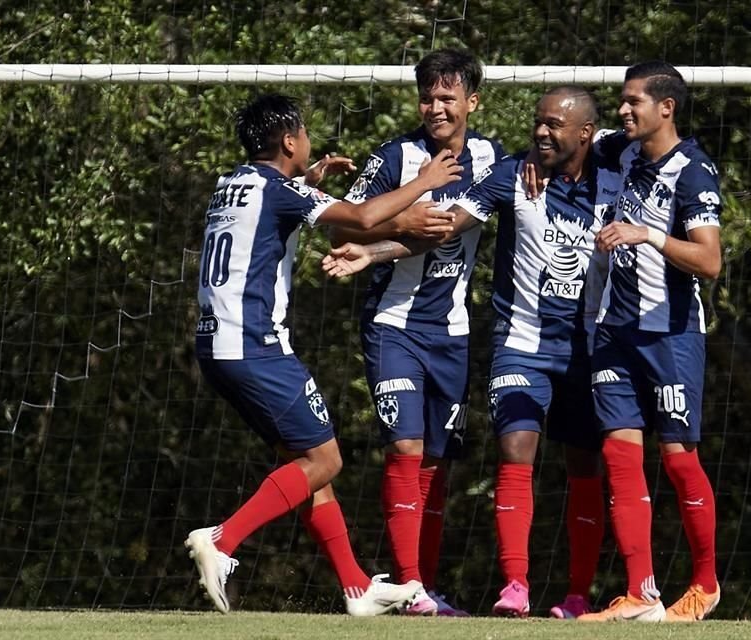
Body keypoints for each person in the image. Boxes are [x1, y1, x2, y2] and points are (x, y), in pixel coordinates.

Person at [323, 86, 613, 620]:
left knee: (584, 464)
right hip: (520, 343)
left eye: (555, 125)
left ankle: (578, 596)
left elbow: (643, 140)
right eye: (538, 123)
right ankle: (515, 586)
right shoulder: (509, 174)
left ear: (585, 134)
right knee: (513, 449)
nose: (542, 132)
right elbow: (443, 228)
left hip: (588, 349)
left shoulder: (615, 171)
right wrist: (372, 250)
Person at [185, 93, 461, 616]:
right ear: (290, 141)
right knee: (324, 458)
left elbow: (271, 211)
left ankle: (357, 587)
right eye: (304, 132)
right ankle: (222, 540)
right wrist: (424, 182)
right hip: (255, 346)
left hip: (216, 345)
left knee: (304, 464)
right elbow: (359, 216)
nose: (309, 139)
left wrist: (307, 181)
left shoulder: (231, 184)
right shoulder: (279, 190)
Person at [328, 48, 504, 617]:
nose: (435, 107)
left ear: (471, 102)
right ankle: (409, 588)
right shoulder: (393, 157)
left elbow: (445, 230)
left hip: (452, 332)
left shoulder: (491, 158)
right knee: (404, 448)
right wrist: (391, 222)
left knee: (438, 463)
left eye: (447, 97)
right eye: (427, 96)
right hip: (394, 327)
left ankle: (423, 588)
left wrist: (380, 245)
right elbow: (344, 225)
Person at [575, 61, 722, 623]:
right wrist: (537, 166)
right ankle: (640, 593)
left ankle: (705, 585)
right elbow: (570, 139)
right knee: (619, 452)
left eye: (634, 101)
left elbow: (709, 260)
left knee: (679, 459)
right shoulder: (623, 149)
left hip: (672, 333)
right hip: (615, 328)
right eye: (622, 100)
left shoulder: (694, 173)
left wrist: (647, 234)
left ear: (667, 107)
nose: (622, 110)